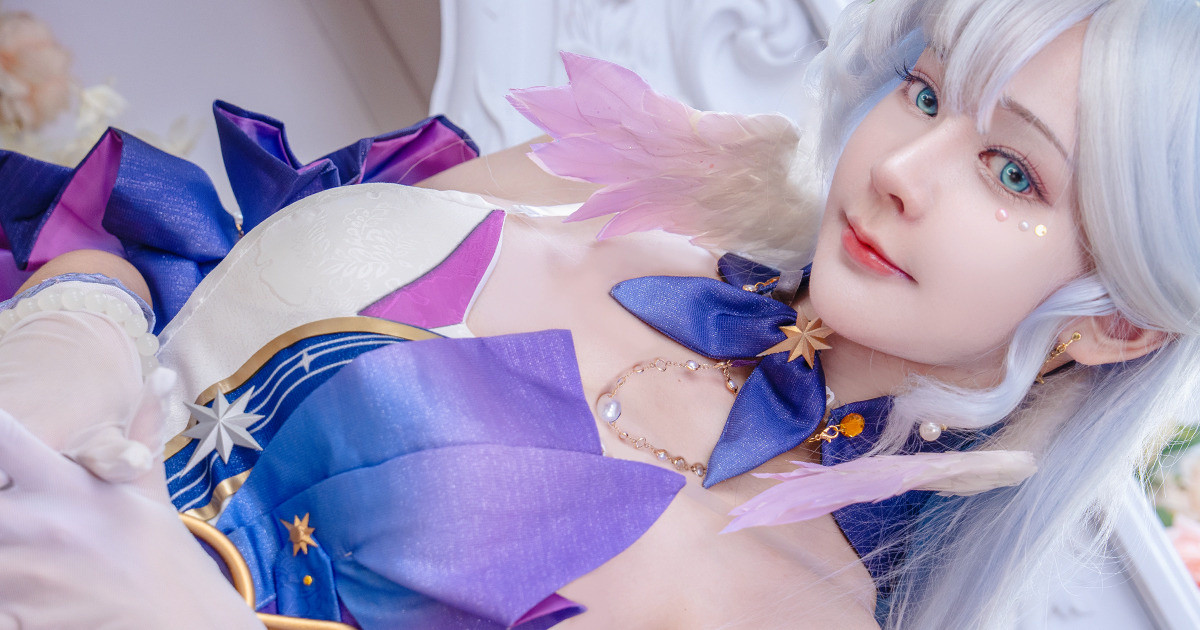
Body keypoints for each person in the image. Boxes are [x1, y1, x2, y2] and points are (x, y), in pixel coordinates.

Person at [0, 0, 1196, 628]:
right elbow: (201, 255)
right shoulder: (601, 181)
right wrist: (84, 323)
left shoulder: (800, 611)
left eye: (1013, 174)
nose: (902, 168)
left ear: (1118, 324)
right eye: (926, 94)